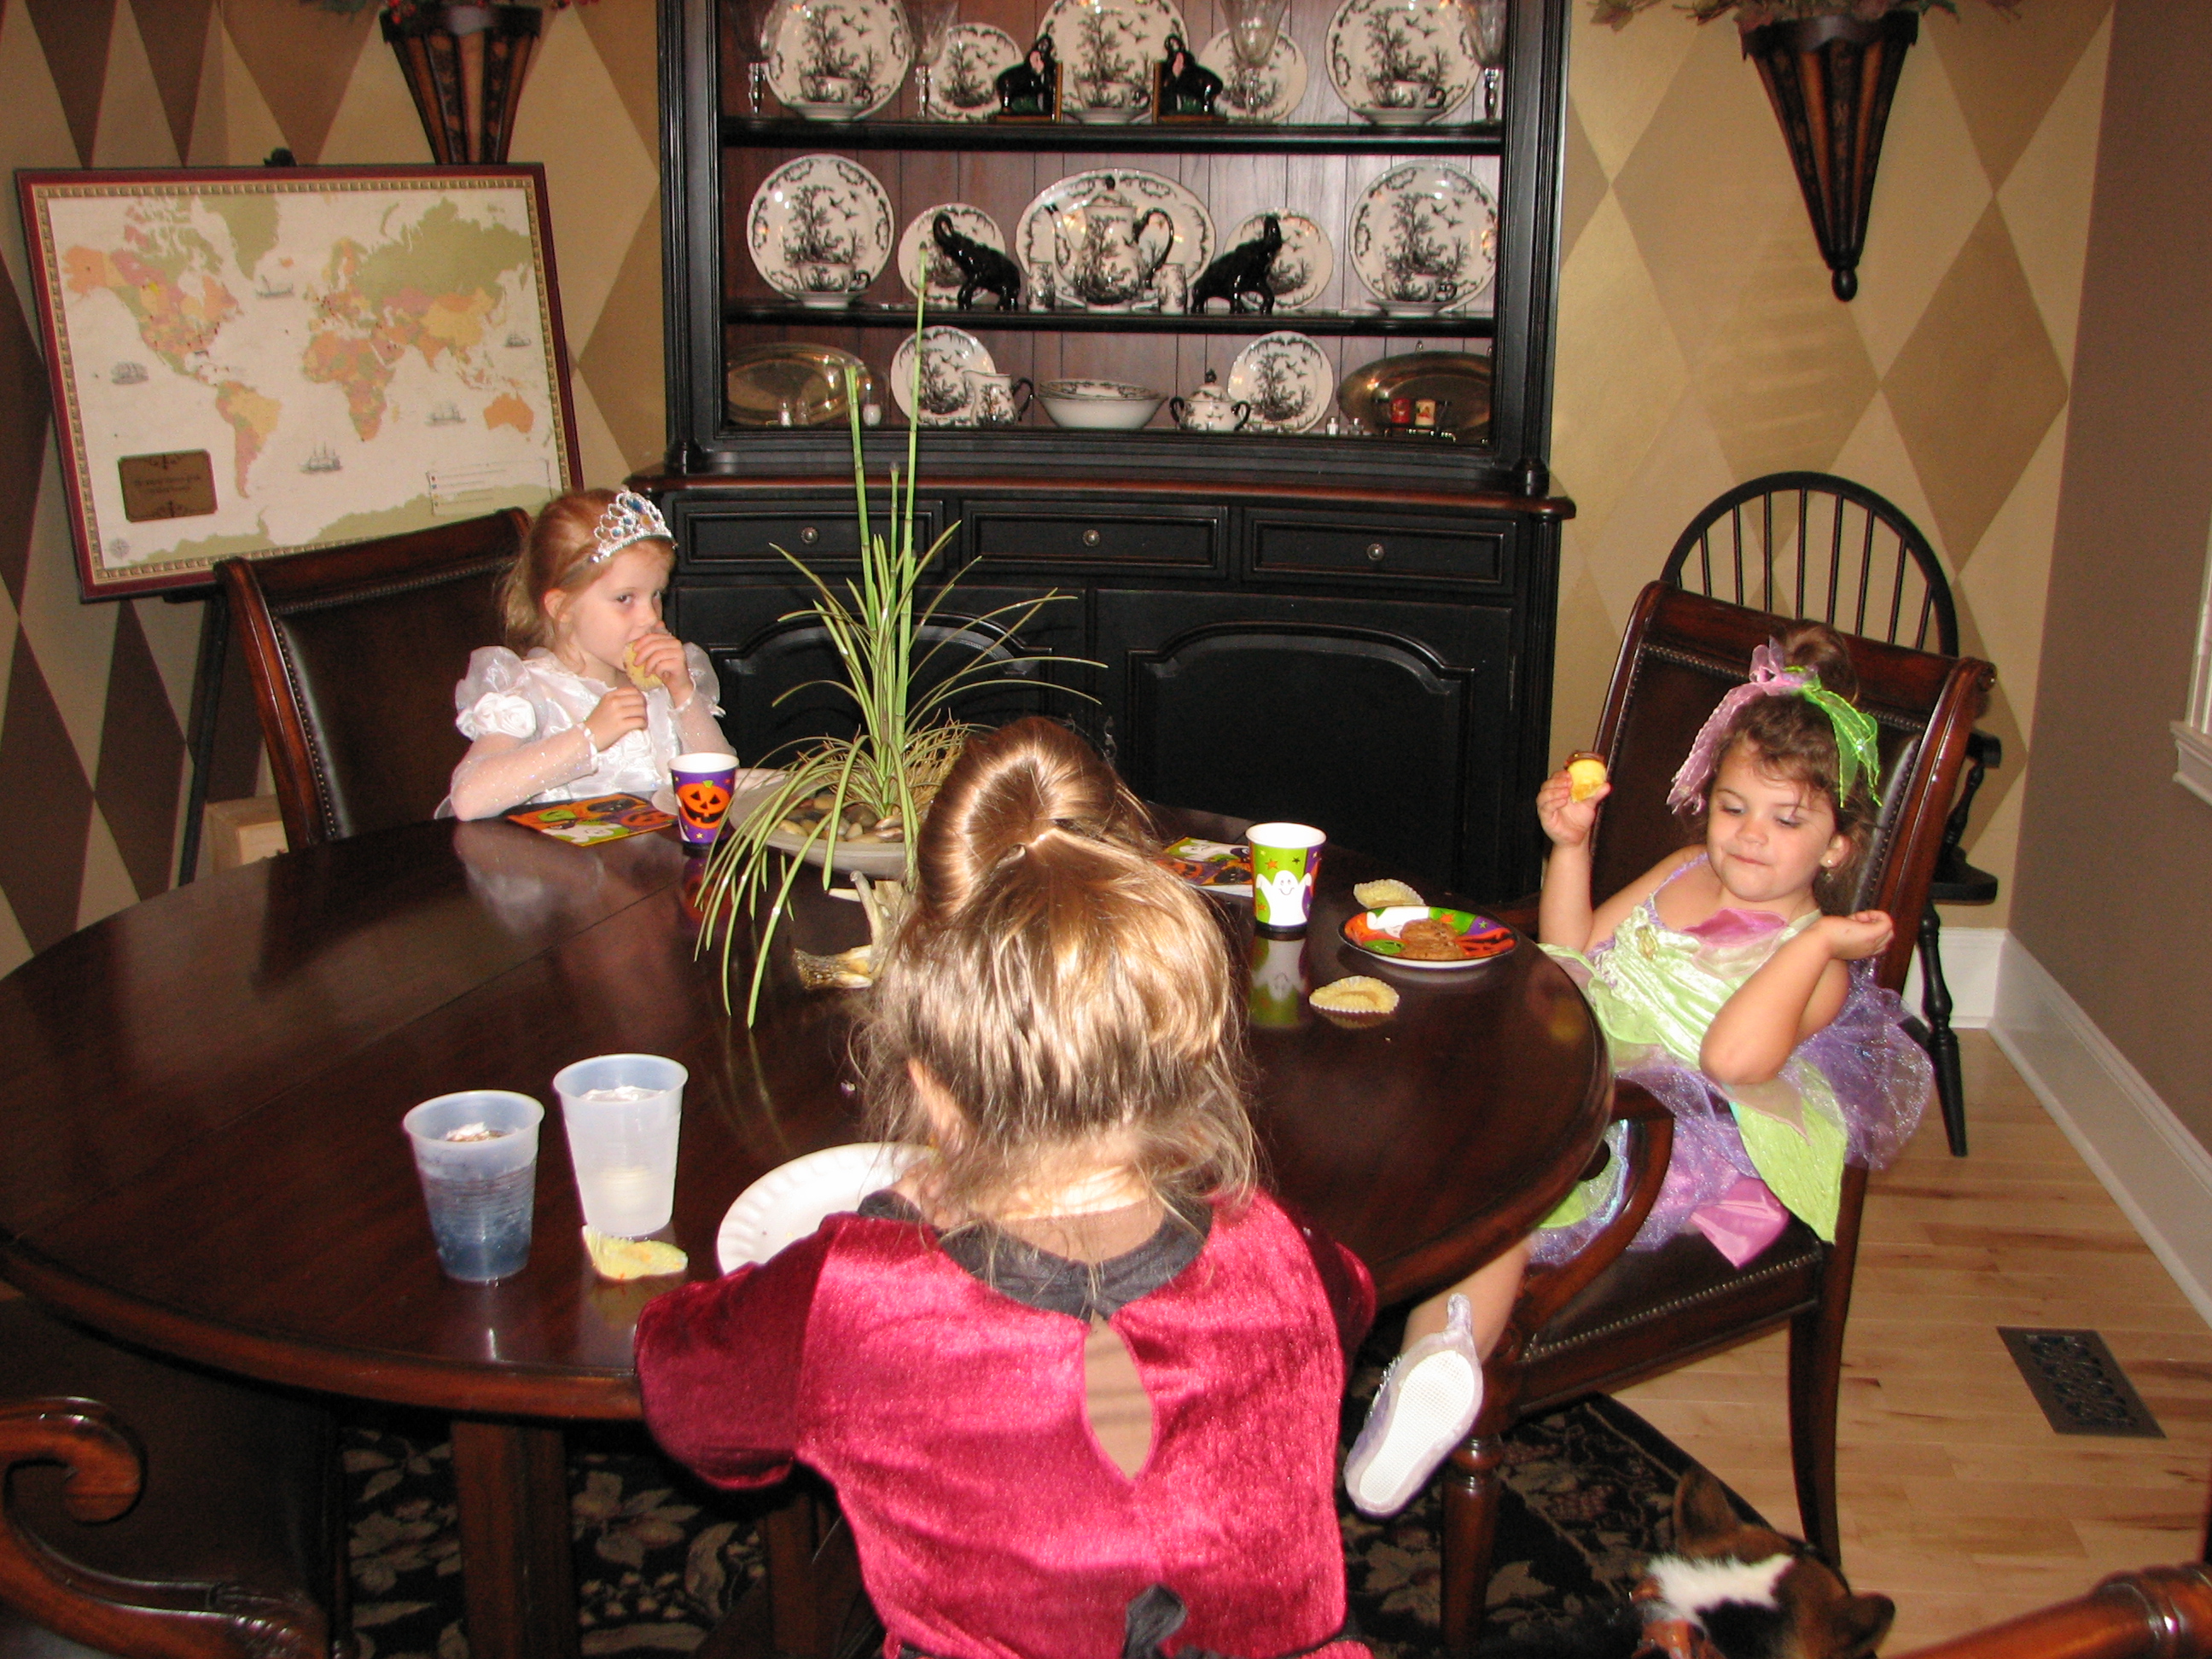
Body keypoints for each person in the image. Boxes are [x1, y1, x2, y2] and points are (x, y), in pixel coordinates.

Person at [635, 718, 1374, 1659]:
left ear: (932, 1088)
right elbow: (1347, 1304)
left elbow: (685, 1395)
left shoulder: (859, 1297)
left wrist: (888, 1226)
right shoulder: (1276, 1249)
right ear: (1187, 1057)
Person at [1339, 622, 1930, 1522]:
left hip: (1660, 1121)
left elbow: (1731, 1060)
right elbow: (1572, 952)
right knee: (1422, 1104)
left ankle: (1438, 1359)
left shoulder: (1818, 964)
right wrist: (1570, 846)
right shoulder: (1683, 868)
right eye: (1732, 807)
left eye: (1787, 820)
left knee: (1507, 1199)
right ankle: (1401, 1354)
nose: (1750, 838)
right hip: (1579, 1059)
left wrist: (1815, 944)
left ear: (1837, 847)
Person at [444, 489, 733, 821]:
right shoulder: (531, 691)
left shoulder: (664, 683)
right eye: (625, 598)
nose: (651, 617)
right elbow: (468, 799)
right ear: (563, 607)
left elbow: (724, 787)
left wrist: (684, 697)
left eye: (656, 595)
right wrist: (589, 737)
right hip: (562, 855)